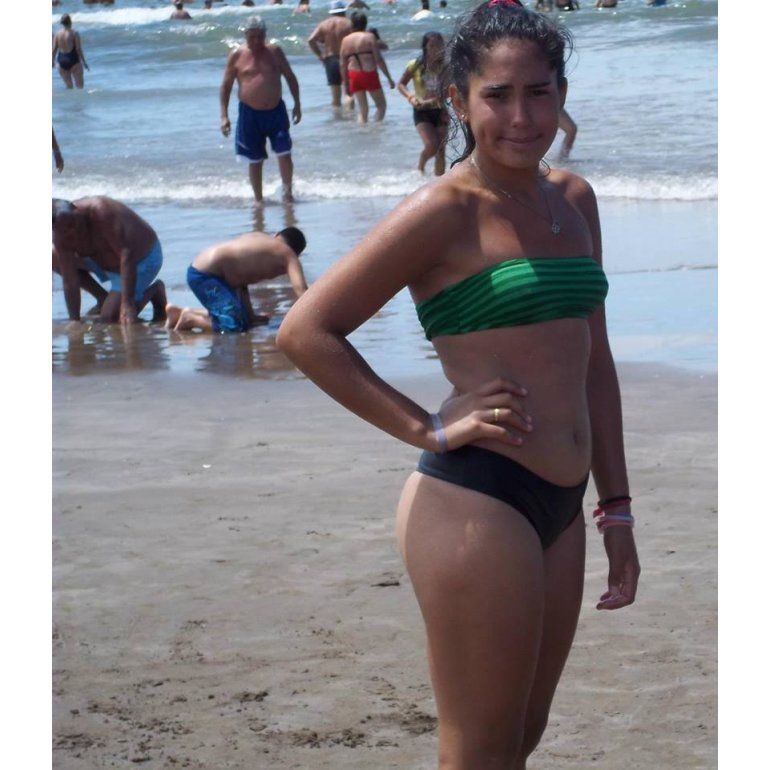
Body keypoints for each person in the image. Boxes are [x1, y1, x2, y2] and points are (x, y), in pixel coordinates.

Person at [277, 3, 640, 767]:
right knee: (478, 750)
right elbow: (306, 331)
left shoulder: (574, 201)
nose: (522, 117)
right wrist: (426, 427)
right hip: (477, 500)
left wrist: (616, 508)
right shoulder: (443, 210)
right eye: (497, 96)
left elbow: (595, 363)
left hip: (563, 507)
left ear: (562, 94)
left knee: (522, 737)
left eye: (539, 93)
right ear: (459, 100)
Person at [220, 17, 302, 204]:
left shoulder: (275, 52)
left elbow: (290, 77)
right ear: (245, 35)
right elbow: (226, 86)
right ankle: (258, 199)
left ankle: (288, 193)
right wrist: (224, 115)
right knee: (254, 159)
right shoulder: (237, 55)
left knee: (284, 152)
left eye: (260, 37)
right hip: (249, 114)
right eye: (252, 37)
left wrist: (297, 104)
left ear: (265, 35)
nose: (257, 41)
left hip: (276, 111)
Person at [165, 229, 308, 333]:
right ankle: (190, 319)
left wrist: (251, 316)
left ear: (276, 234)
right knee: (234, 327)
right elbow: (301, 291)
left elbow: (240, 280)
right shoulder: (287, 254)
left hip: (201, 270)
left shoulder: (258, 239)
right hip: (206, 277)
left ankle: (177, 312)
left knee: (245, 321)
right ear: (297, 254)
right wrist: (313, 321)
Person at [52, 197, 167, 325]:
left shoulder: (101, 212)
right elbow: (70, 280)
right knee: (53, 256)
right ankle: (102, 298)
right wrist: (74, 320)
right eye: (66, 231)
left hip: (141, 260)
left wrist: (127, 303)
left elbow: (126, 254)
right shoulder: (59, 236)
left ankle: (155, 291)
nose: (74, 231)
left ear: (77, 211)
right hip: (103, 262)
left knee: (110, 318)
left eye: (74, 223)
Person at [398, 31, 447, 176]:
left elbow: (451, 89)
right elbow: (401, 84)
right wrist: (411, 97)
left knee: (441, 150)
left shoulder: (446, 66)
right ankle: (420, 166)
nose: (436, 49)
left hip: (440, 110)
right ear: (425, 47)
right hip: (421, 111)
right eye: (432, 45)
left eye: (439, 45)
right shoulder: (416, 65)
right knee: (432, 145)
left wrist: (436, 99)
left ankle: (439, 182)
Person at [340, 11, 395, 124]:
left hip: (354, 75)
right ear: (365, 23)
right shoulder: (370, 37)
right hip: (369, 73)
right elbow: (379, 59)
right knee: (381, 106)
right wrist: (389, 78)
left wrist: (346, 84)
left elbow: (342, 64)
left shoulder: (345, 40)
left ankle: (362, 131)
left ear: (352, 24)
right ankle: (375, 128)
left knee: (363, 110)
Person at [308, 3, 353, 109]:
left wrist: (320, 55)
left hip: (330, 59)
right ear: (344, 11)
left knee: (335, 97)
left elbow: (311, 40)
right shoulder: (349, 23)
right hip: (346, 59)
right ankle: (350, 116)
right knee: (348, 93)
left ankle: (337, 117)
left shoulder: (324, 24)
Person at [52, 14, 89, 90]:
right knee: (80, 87)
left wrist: (52, 62)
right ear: (70, 22)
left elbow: (54, 49)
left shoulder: (57, 34)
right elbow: (78, 49)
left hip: (61, 61)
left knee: (69, 88)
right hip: (73, 60)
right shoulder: (74, 33)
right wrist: (84, 63)